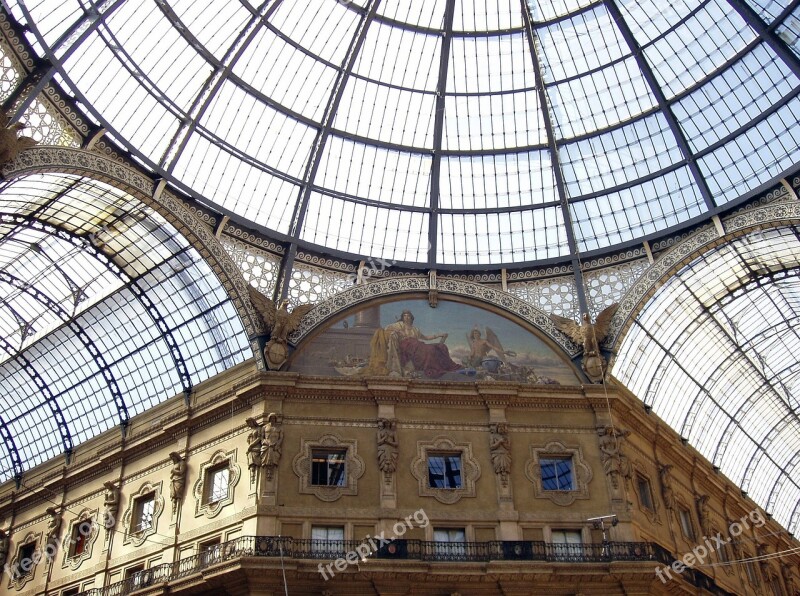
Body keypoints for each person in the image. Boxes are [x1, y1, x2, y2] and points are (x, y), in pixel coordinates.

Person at [370, 310, 460, 378]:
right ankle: (430, 367)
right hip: (406, 346)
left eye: (408, 316)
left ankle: (441, 366)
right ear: (402, 317)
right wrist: (396, 331)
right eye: (405, 316)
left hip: (417, 345)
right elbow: (386, 329)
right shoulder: (399, 325)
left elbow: (426, 338)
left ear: (411, 318)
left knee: (439, 347)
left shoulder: (415, 329)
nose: (407, 317)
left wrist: (439, 335)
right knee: (427, 349)